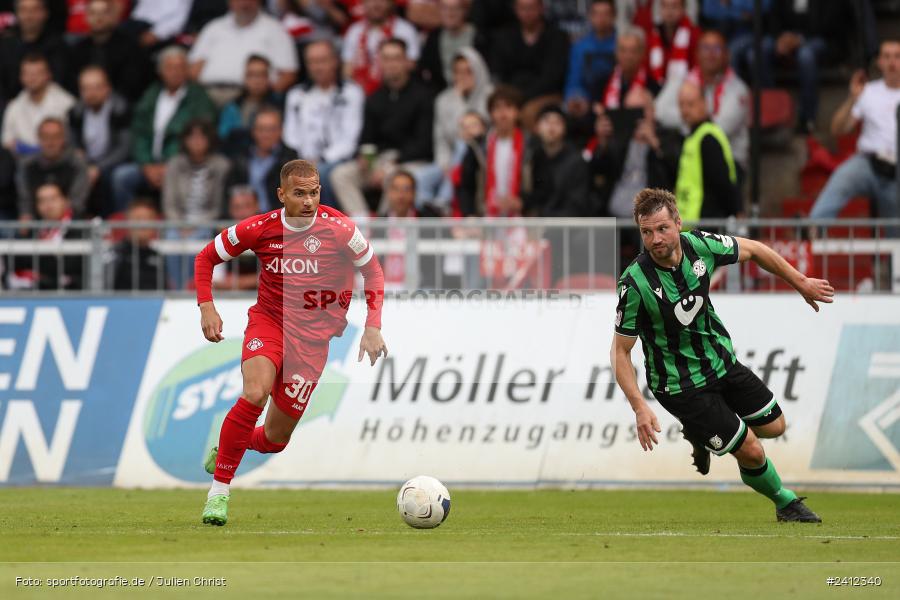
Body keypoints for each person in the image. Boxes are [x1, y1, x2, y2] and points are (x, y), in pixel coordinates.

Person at [612, 188, 833, 522]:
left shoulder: (700, 246)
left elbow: (755, 249)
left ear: (678, 223)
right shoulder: (634, 283)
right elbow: (620, 351)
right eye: (646, 232)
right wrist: (639, 407)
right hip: (681, 386)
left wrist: (800, 282)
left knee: (775, 426)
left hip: (721, 362)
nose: (655, 239)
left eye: (662, 229)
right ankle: (785, 502)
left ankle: (702, 434)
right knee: (752, 449)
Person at [193, 159, 387, 525]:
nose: (309, 201)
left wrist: (372, 326)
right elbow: (206, 257)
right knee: (255, 393)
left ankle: (229, 446)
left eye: (314, 192)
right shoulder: (259, 228)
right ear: (281, 194)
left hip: (312, 343)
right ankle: (218, 493)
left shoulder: (340, 230)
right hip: (270, 324)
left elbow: (373, 271)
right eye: (300, 193)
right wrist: (207, 306)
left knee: (274, 438)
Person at [330, 38, 433, 217]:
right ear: (380, 63)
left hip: (410, 161)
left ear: (406, 62)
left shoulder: (423, 96)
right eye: (386, 58)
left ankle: (385, 225)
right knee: (340, 174)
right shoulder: (374, 98)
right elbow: (366, 139)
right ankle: (363, 225)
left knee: (394, 177)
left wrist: (393, 162)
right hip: (379, 161)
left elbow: (424, 144)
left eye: (396, 58)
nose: (391, 64)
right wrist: (364, 158)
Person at [111, 46, 217, 213]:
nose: (175, 72)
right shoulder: (150, 95)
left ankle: (172, 226)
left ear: (187, 70)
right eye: (170, 67)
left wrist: (169, 164)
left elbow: (199, 136)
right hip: (148, 165)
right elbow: (139, 133)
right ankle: (127, 224)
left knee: (176, 180)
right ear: (160, 71)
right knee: (121, 176)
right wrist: (146, 164)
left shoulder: (199, 98)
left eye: (180, 67)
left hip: (183, 164)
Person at [810, 40, 900, 221]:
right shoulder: (868, 91)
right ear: (879, 62)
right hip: (868, 163)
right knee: (841, 179)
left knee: (896, 230)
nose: (892, 62)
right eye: (887, 56)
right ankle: (813, 229)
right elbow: (838, 129)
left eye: (897, 56)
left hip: (897, 171)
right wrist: (852, 98)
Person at [283, 40, 364, 206]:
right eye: (312, 62)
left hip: (338, 159)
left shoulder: (351, 93)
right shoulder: (296, 95)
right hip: (302, 160)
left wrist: (321, 160)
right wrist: (304, 161)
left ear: (335, 61)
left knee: (320, 175)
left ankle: (325, 219)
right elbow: (290, 135)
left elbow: (350, 138)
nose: (317, 67)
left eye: (322, 61)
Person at [656, 29, 750, 171]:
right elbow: (659, 111)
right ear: (697, 53)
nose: (710, 54)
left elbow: (718, 132)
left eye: (717, 48)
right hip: (691, 155)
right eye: (705, 48)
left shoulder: (738, 90)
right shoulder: (685, 80)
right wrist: (693, 117)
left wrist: (686, 121)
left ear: (727, 55)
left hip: (729, 161)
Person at [189, 0, 299, 105]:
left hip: (251, 98)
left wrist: (265, 98)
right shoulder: (213, 28)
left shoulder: (276, 30)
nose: (244, 4)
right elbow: (194, 69)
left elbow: (288, 75)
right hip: (208, 95)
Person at [424, 47, 492, 211]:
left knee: (463, 146)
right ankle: (424, 213)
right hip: (448, 161)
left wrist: (459, 100)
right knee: (419, 178)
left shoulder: (490, 96)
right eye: (458, 72)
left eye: (468, 71)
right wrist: (443, 164)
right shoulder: (443, 100)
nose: (463, 77)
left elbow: (469, 130)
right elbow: (440, 138)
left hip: (479, 158)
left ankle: (443, 201)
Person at [490, 0, 570, 128]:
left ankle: (531, 142)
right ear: (515, 9)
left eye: (531, 8)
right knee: (501, 110)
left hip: (546, 94)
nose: (527, 13)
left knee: (528, 113)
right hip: (510, 94)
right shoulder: (505, 36)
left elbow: (552, 77)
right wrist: (509, 96)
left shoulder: (557, 37)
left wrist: (521, 98)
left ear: (541, 8)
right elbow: (499, 71)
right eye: (522, 8)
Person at [67, 66, 132, 217]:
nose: (91, 93)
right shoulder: (76, 112)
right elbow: (72, 142)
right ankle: (74, 220)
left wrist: (99, 167)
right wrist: (79, 155)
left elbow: (124, 148)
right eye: (86, 88)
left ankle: (116, 220)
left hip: (114, 163)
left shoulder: (120, 110)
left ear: (108, 88)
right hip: (86, 164)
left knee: (117, 177)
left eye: (97, 87)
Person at [458, 85, 530, 217]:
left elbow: (542, 187)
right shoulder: (478, 146)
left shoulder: (531, 146)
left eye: (508, 107)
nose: (503, 114)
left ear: (518, 112)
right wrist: (470, 215)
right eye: (497, 108)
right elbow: (466, 186)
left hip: (523, 218)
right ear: (490, 114)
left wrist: (523, 202)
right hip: (485, 216)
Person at [674, 81, 740, 221]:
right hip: (693, 223)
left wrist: (735, 211)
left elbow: (722, 183)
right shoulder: (693, 137)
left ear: (704, 103)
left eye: (690, 104)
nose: (685, 110)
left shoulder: (708, 138)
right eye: (681, 105)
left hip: (708, 222)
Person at [65, 0, 152, 102]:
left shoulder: (131, 47)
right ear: (86, 17)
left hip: (122, 104)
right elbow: (71, 82)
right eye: (93, 13)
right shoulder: (78, 49)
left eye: (104, 12)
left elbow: (133, 84)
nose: (98, 18)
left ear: (114, 16)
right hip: (85, 103)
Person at [10, 182, 83, 290]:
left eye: (53, 199)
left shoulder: (79, 228)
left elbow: (72, 265)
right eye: (42, 201)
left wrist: (42, 262)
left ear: (65, 201)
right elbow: (18, 261)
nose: (48, 205)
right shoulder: (32, 229)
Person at [227, 106, 299, 213]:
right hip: (246, 218)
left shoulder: (290, 159)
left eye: (271, 129)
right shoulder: (241, 157)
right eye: (261, 129)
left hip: (278, 217)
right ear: (253, 131)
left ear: (281, 130)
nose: (266, 135)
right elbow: (231, 193)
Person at [1, 53, 75, 155]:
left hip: (59, 159)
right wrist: (29, 151)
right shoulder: (14, 106)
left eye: (37, 73)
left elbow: (70, 142)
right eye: (27, 74)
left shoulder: (66, 103)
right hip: (22, 160)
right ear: (21, 77)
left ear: (48, 75)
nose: (32, 78)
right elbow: (7, 142)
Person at [341, 0, 421, 95]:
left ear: (390, 3)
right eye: (371, 1)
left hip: (395, 91)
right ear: (363, 3)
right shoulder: (354, 31)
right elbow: (347, 68)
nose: (376, 4)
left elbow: (411, 66)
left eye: (382, 0)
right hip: (360, 91)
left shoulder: (405, 30)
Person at [16, 117, 89, 219]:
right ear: (38, 138)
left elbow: (77, 201)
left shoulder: (76, 163)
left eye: (55, 137)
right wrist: (26, 215)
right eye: (45, 137)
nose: (50, 142)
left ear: (63, 139)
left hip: (70, 219)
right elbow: (25, 200)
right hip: (36, 221)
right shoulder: (27, 165)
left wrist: (61, 213)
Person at [0, 0, 67, 103]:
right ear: (16, 13)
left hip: (49, 104)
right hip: (10, 105)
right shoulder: (5, 45)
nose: (29, 16)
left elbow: (60, 83)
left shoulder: (58, 46)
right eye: (24, 10)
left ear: (45, 13)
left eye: (35, 10)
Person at [217, 55, 281, 156]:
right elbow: (224, 137)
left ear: (268, 78)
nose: (257, 80)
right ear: (244, 78)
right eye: (251, 75)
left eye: (261, 75)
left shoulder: (280, 104)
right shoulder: (233, 106)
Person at [564, 0, 617, 119]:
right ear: (590, 17)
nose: (601, 19)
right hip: (587, 101)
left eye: (605, 14)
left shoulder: (622, 44)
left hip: (616, 99)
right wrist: (576, 97)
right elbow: (574, 79)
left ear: (614, 16)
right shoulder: (579, 47)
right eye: (597, 14)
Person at [416, 0, 477, 92]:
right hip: (442, 93)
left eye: (455, 8)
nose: (450, 13)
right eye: (445, 8)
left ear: (465, 11)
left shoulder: (479, 37)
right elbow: (424, 69)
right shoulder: (433, 38)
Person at [108, 197, 165, 290]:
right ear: (127, 222)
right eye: (138, 219)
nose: (143, 224)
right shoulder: (115, 255)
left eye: (148, 219)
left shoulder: (158, 257)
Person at [646, 0, 700, 85]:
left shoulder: (694, 34)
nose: (669, 11)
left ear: (683, 9)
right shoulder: (652, 34)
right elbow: (646, 68)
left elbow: (697, 68)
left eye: (674, 7)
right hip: (657, 84)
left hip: (686, 84)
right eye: (665, 6)